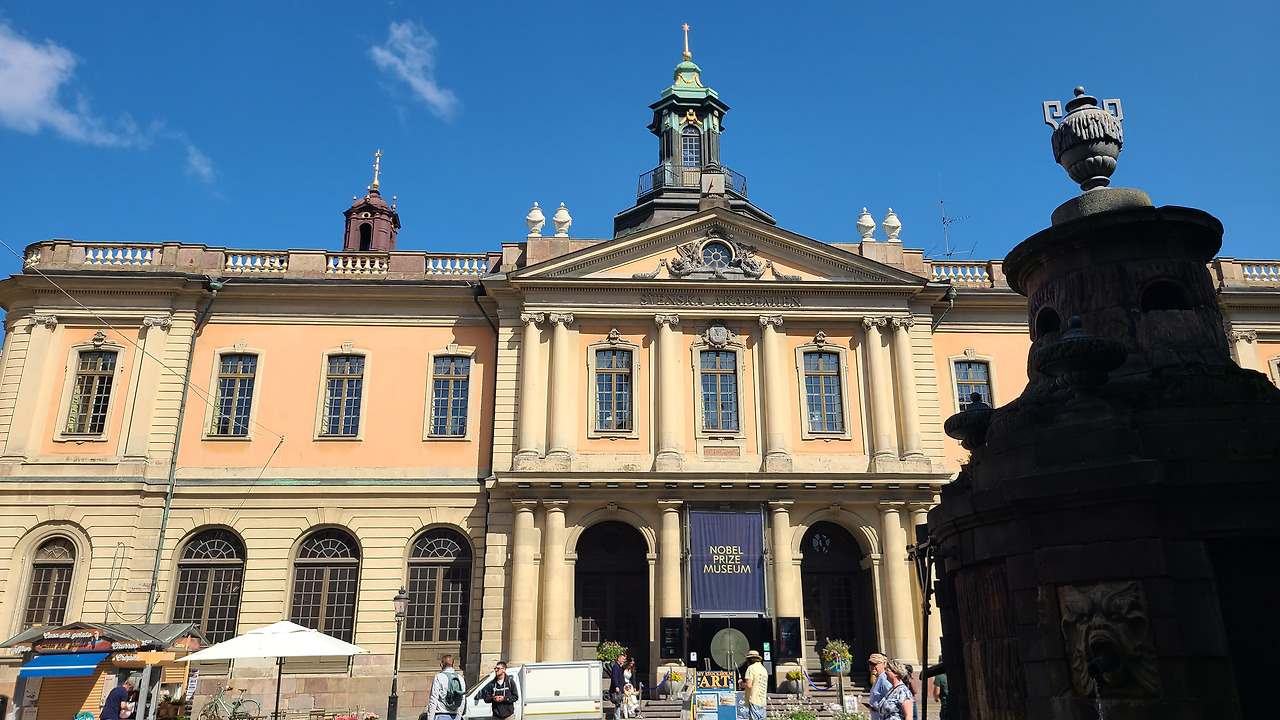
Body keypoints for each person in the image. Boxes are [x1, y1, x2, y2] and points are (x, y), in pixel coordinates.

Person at [429, 655, 466, 720]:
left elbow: (433, 699)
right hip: (454, 716)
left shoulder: (438, 677)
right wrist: (459, 716)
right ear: (453, 664)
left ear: (441, 665)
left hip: (441, 714)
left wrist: (430, 717)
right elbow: (462, 699)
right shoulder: (460, 678)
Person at [741, 650, 768, 720]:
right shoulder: (763, 669)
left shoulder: (751, 668)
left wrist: (741, 683)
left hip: (753, 700)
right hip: (762, 700)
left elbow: (749, 685)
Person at [865, 654, 890, 720]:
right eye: (870, 664)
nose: (872, 667)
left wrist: (877, 708)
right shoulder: (878, 679)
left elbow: (891, 699)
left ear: (883, 664)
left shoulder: (884, 679)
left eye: (875, 664)